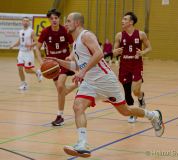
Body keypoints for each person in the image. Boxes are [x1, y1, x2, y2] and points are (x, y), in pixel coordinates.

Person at [47, 12, 164, 158]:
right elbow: (77, 65)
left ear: (77, 23)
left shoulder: (86, 36)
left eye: (68, 21)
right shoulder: (76, 42)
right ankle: (82, 144)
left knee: (125, 111)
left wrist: (82, 71)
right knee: (78, 106)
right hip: (89, 82)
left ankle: (153, 115)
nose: (65, 24)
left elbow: (99, 54)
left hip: (105, 79)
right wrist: (58, 62)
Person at [35, 9, 77, 126]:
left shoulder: (65, 30)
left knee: (59, 86)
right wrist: (41, 61)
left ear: (59, 19)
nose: (54, 20)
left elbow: (74, 45)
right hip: (51, 64)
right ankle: (78, 84)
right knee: (62, 91)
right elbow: (37, 48)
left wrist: (71, 55)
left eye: (56, 18)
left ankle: (60, 116)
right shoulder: (45, 32)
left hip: (64, 62)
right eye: (52, 18)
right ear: (49, 20)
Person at [113, 12, 152, 123]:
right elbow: (114, 52)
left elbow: (149, 47)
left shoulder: (141, 34)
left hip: (136, 65)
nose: (122, 21)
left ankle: (141, 97)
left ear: (131, 22)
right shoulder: (119, 35)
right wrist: (116, 51)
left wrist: (143, 52)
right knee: (127, 93)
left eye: (125, 19)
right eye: (122, 19)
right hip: (124, 66)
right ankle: (133, 112)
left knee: (135, 91)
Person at [10, 17, 42, 90]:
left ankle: (37, 72)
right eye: (24, 21)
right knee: (20, 68)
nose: (25, 22)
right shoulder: (20, 31)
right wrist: (13, 45)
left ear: (29, 23)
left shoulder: (31, 31)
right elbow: (19, 42)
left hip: (28, 53)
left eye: (27, 21)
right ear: (22, 22)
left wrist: (30, 45)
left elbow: (36, 41)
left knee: (27, 70)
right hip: (21, 52)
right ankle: (23, 84)